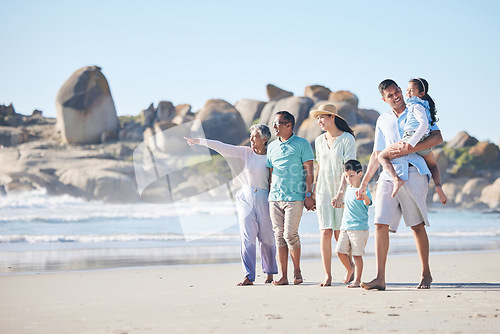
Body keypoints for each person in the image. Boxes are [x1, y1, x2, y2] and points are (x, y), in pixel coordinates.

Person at [356, 79, 444, 290]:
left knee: (416, 226)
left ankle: (426, 273)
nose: (396, 96)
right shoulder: (382, 120)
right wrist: (364, 182)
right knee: (379, 224)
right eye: (391, 95)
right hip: (388, 175)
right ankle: (380, 278)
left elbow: (437, 136)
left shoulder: (417, 108)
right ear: (383, 99)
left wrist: (411, 148)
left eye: (397, 91)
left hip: (414, 171)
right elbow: (377, 154)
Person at [184, 124, 278, 286]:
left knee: (267, 237)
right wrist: (199, 141)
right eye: (250, 136)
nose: (251, 139)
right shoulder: (244, 152)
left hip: (265, 198)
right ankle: (248, 275)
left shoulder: (272, 156)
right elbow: (221, 146)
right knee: (247, 238)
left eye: (254, 136)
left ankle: (269, 273)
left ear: (264, 139)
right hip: (245, 198)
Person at [378, 78, 447, 204]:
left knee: (382, 156)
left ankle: (396, 179)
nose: (408, 93)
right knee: (433, 165)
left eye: (411, 91)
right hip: (423, 142)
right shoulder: (423, 106)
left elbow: (426, 127)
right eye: (407, 90)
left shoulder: (414, 106)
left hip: (412, 139)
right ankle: (438, 185)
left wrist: (411, 144)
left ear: (421, 93)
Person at [266, 111, 315, 285]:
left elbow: (309, 171)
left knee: (290, 235)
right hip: (275, 198)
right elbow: (271, 174)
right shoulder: (271, 147)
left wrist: (309, 195)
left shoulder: (302, 144)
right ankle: (284, 276)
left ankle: (297, 271)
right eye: (274, 123)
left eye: (278, 123)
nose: (274, 126)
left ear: (289, 125)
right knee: (279, 236)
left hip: (294, 197)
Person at [310, 104, 356, 287]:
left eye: (322, 117)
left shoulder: (347, 139)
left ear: (332, 117)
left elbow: (349, 168)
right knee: (325, 232)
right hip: (323, 190)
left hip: (341, 191)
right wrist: (313, 191)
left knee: (340, 234)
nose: (319, 121)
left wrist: (341, 193)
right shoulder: (319, 141)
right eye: (318, 118)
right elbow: (319, 167)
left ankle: (350, 267)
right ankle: (327, 275)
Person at [335, 159, 372, 288]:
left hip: (359, 229)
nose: (348, 179)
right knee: (339, 252)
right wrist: (339, 203)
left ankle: (357, 279)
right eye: (346, 176)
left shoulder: (364, 190)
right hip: (345, 227)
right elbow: (349, 206)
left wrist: (364, 198)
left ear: (360, 174)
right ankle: (350, 269)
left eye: (351, 175)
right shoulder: (348, 190)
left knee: (357, 256)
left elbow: (368, 203)